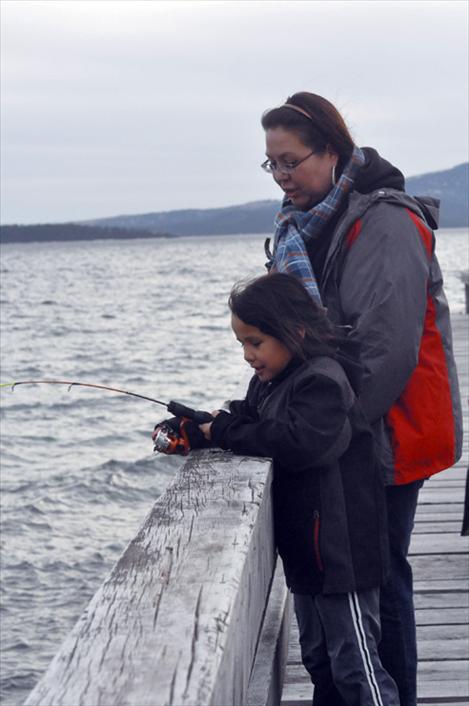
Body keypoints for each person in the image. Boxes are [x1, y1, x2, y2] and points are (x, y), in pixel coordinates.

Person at [257, 92, 463, 706]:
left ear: (333, 152)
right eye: (271, 164)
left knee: (383, 575)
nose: (282, 176)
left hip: (389, 429)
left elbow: (384, 349)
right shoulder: (304, 225)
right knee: (371, 572)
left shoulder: (384, 223)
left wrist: (322, 432)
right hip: (349, 426)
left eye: (291, 161)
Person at [198, 272, 400, 706]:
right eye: (241, 345)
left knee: (355, 664)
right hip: (309, 553)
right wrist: (206, 427)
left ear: (295, 331)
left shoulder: (323, 380)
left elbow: (300, 442)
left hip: (342, 553)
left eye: (255, 342)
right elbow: (253, 422)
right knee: (318, 659)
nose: (248, 356)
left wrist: (226, 430)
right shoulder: (274, 381)